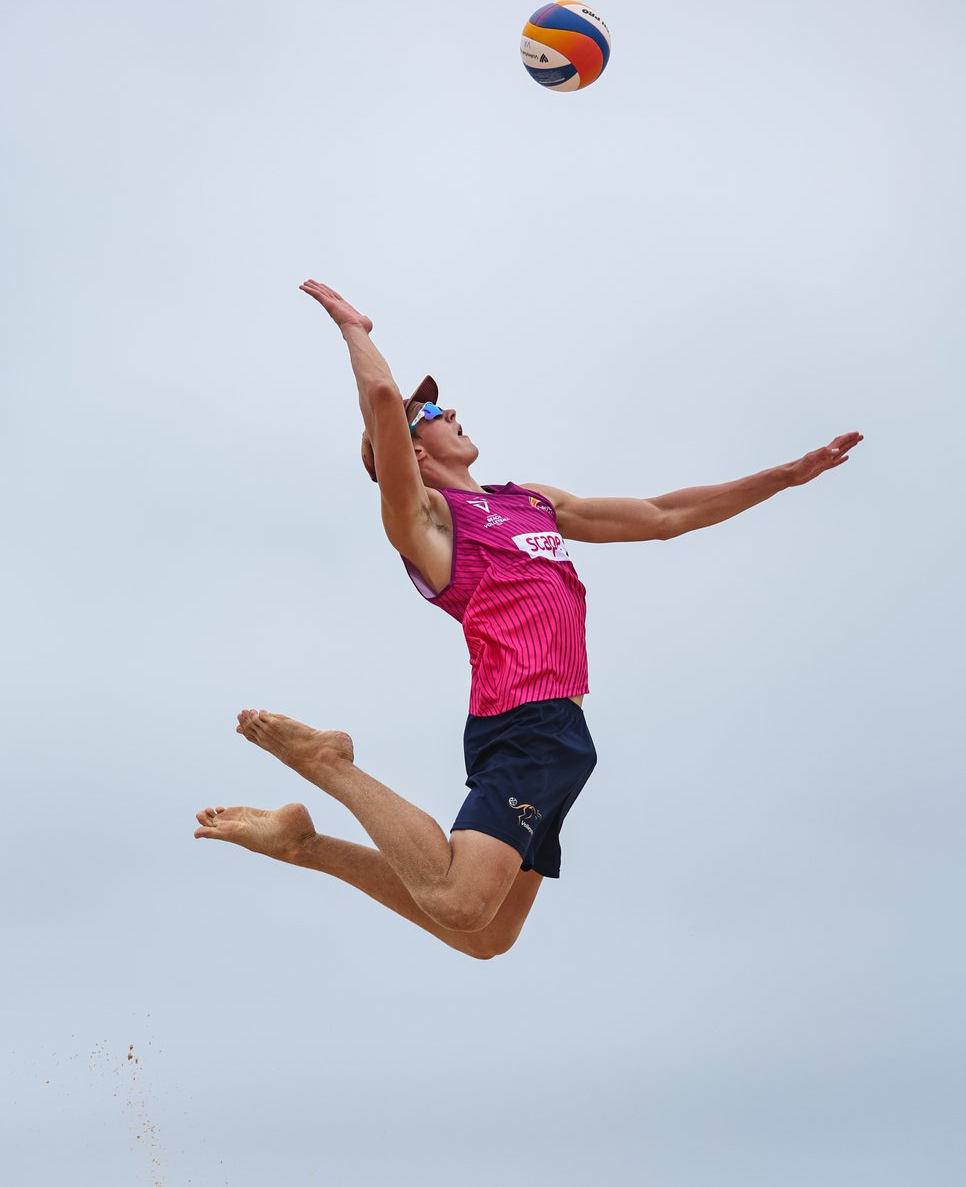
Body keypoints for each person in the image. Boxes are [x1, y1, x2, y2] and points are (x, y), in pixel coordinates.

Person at [194, 281, 863, 960]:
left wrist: (779, 478)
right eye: (428, 409)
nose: (447, 407)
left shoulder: (532, 502)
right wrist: (354, 328)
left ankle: (304, 845)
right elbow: (380, 402)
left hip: (561, 733)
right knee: (458, 902)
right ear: (412, 450)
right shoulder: (428, 523)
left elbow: (664, 517)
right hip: (524, 721)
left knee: (487, 938)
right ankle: (329, 763)